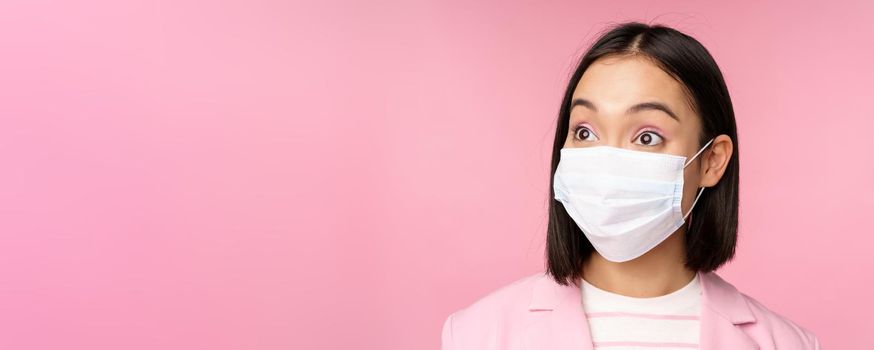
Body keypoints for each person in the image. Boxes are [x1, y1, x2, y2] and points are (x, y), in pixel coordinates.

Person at [441, 21, 821, 350]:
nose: (607, 163)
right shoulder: (477, 334)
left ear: (711, 161)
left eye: (647, 137)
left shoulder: (786, 344)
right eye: (585, 132)